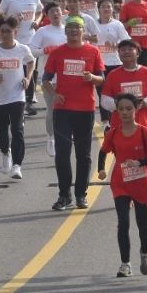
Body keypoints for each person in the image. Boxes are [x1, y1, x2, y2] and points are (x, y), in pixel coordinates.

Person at [43, 16, 105, 210]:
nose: (73, 31)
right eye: (69, 27)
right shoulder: (57, 52)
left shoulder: (93, 51)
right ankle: (64, 195)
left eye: (77, 28)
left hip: (85, 109)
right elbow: (45, 78)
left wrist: (92, 77)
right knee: (62, 154)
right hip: (62, 110)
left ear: (82, 30)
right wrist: (55, 94)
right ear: (65, 31)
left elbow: (102, 79)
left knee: (83, 155)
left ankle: (80, 194)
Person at [97, 93, 147, 278]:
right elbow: (103, 152)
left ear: (136, 110)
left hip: (141, 183)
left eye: (128, 109)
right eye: (121, 109)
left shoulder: (145, 133)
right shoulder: (114, 133)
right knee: (123, 223)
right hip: (120, 183)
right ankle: (125, 264)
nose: (124, 112)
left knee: (142, 223)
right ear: (116, 111)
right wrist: (101, 169)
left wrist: (140, 163)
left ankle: (144, 253)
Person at [0, 17, 35, 180]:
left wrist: (28, 77)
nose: (4, 34)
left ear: (15, 32)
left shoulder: (22, 49)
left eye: (8, 31)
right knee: (2, 131)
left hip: (17, 96)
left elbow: (31, 62)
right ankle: (6, 152)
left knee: (17, 130)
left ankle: (17, 165)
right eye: (2, 31)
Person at [101, 40, 147, 131]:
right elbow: (104, 99)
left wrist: (146, 102)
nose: (126, 52)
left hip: (142, 126)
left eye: (130, 49)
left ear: (138, 53)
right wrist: (120, 106)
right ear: (118, 54)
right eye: (122, 50)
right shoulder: (112, 75)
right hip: (118, 128)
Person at [30, 2, 67, 155]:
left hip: (67, 76)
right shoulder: (43, 31)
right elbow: (31, 51)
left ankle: (63, 136)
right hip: (49, 77)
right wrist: (45, 50)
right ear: (47, 15)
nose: (55, 14)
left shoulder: (69, 30)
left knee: (66, 110)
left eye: (57, 11)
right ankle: (51, 137)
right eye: (51, 12)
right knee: (52, 109)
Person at [94, 0, 129, 122]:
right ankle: (105, 123)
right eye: (103, 6)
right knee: (103, 94)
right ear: (98, 9)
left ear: (112, 8)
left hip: (115, 63)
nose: (106, 9)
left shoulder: (117, 24)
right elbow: (85, 40)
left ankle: (118, 118)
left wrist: (117, 44)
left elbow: (127, 41)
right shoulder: (94, 24)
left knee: (116, 94)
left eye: (109, 6)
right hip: (99, 65)